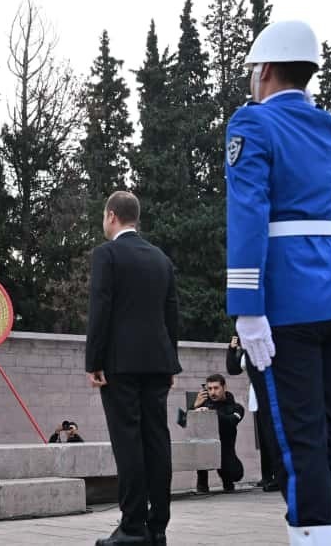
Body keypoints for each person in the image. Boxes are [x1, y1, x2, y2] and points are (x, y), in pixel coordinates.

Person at [225, 20, 331, 545]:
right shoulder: (330, 127)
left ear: (263, 69)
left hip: (288, 299)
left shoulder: (253, 123)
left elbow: (248, 212)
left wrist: (246, 303)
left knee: (297, 441)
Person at [86, 191, 182, 546]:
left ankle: (132, 526)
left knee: (128, 442)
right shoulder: (161, 259)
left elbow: (101, 308)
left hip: (120, 363)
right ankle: (158, 527)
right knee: (157, 441)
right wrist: (171, 361)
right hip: (157, 362)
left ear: (112, 216)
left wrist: (93, 361)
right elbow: (171, 313)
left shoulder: (107, 255)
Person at [227, 336, 278, 491]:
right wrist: (232, 349)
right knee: (263, 438)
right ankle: (267, 475)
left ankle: (279, 475)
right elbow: (233, 369)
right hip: (257, 397)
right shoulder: (246, 350)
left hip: (272, 394)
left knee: (273, 437)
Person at [192, 374, 245, 493]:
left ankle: (227, 480)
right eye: (209, 389)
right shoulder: (203, 405)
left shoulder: (236, 407)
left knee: (235, 474)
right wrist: (194, 407)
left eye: (216, 388)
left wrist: (211, 413)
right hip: (205, 449)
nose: (212, 392)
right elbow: (183, 422)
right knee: (200, 447)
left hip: (225, 450)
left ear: (224, 387)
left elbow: (231, 421)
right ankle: (202, 484)